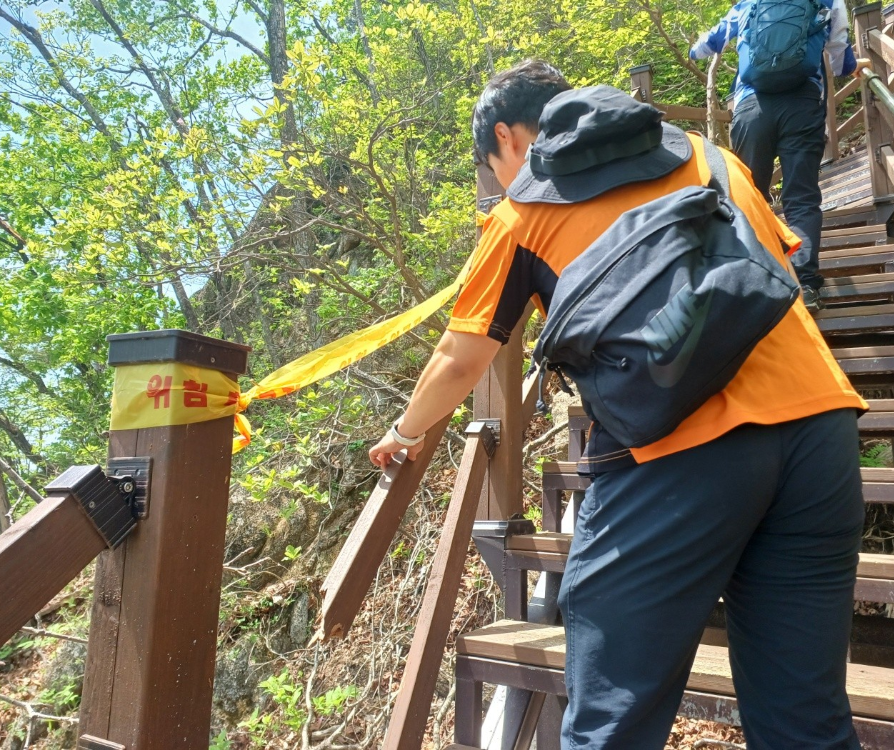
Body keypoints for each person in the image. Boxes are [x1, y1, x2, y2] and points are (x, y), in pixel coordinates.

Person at [369, 60, 867, 749]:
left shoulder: (522, 211)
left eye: (492, 166)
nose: (499, 182)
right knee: (805, 721)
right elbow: (779, 270)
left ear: (511, 138)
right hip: (821, 432)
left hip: (674, 458)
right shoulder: (713, 158)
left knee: (612, 726)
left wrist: (406, 430)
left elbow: (462, 358)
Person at [691, 0, 870, 311]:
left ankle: (753, 284)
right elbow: (840, 60)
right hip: (802, 105)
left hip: (751, 107)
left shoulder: (749, 4)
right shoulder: (828, 1)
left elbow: (704, 47)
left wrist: (699, 45)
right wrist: (854, 66)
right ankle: (806, 286)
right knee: (801, 197)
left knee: (747, 196)